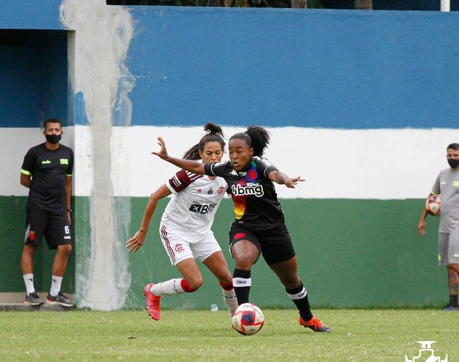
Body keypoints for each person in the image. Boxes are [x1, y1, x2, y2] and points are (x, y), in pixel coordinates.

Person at [153, 126, 332, 333]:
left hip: (275, 231)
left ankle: (307, 318)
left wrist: (286, 180)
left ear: (251, 152)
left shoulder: (260, 166)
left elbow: (276, 174)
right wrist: (167, 158)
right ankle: (241, 315)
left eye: (240, 151)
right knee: (243, 258)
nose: (235, 155)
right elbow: (196, 167)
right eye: (231, 151)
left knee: (291, 280)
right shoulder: (226, 169)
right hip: (245, 229)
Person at [126, 123, 237, 320]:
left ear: (223, 153)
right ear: (201, 154)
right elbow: (153, 197)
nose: (213, 157)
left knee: (227, 278)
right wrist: (143, 231)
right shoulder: (188, 174)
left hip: (202, 233)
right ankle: (154, 291)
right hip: (175, 230)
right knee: (194, 283)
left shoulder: (226, 176)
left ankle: (236, 315)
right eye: (209, 153)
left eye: (218, 153)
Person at [20, 118, 75, 307]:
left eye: (57, 130)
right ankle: (30, 293)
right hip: (37, 208)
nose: (54, 133)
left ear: (61, 132)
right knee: (30, 247)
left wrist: (67, 210)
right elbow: (24, 180)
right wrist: (41, 188)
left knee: (65, 248)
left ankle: (54, 294)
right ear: (44, 132)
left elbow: (68, 184)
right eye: (50, 130)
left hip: (59, 210)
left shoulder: (68, 153)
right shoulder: (34, 153)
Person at [417, 143, 459, 311]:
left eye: (455, 156)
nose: (452, 158)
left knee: (455, 263)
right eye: (449, 155)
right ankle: (454, 304)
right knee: (449, 265)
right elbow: (433, 197)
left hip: (457, 226)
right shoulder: (443, 174)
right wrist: (423, 219)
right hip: (444, 227)